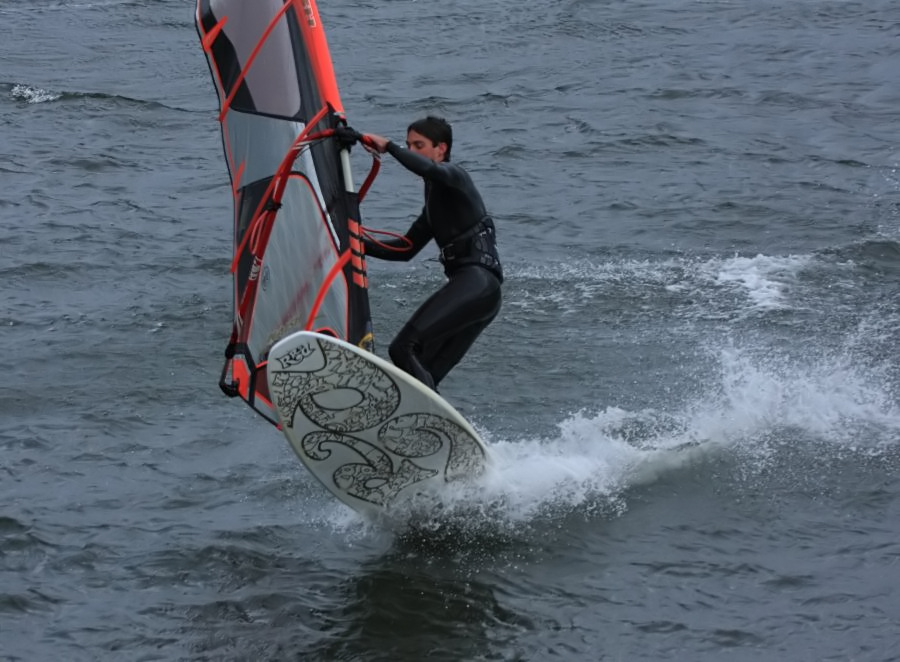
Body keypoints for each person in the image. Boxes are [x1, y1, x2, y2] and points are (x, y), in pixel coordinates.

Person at [345, 116, 503, 392]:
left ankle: (426, 423)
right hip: (480, 293)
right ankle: (431, 431)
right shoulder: (433, 205)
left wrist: (391, 147)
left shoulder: (455, 177)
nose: (412, 151)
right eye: (409, 145)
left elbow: (430, 170)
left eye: (419, 145)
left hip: (477, 283)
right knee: (423, 373)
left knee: (403, 348)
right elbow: (405, 248)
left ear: (440, 149)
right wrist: (355, 244)